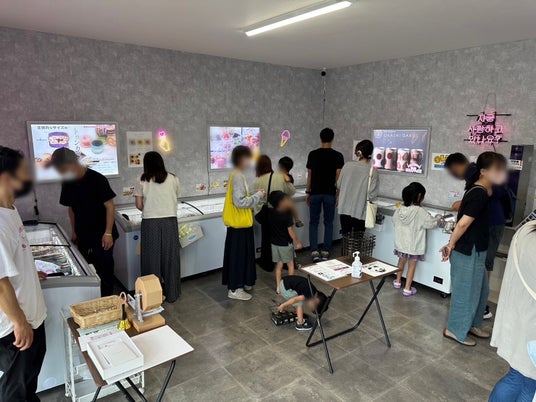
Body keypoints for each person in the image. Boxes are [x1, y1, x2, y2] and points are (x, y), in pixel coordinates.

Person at [440, 152, 508, 346]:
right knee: (465, 293)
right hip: (467, 250)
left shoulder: (487, 190)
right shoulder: (478, 193)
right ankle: (454, 330)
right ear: (483, 171)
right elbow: (462, 224)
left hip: (479, 249)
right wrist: (450, 244)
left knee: (481, 291)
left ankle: (472, 324)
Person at [0, 146, 47, 401]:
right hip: (15, 329)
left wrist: (31, 273)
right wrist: (19, 322)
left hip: (31, 318)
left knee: (28, 384)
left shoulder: (10, 209)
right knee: (15, 391)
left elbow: (11, 261)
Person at [49, 148, 118, 296]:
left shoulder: (97, 179)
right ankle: (92, 300)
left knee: (105, 269)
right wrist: (74, 231)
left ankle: (108, 299)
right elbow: (71, 208)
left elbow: (110, 206)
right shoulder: (67, 182)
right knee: (86, 268)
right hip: (83, 233)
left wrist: (108, 233)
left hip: (102, 233)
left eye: (61, 169)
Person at [489, 220, 536, 401]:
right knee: (530, 384)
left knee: (516, 376)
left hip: (517, 316)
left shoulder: (526, 230)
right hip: (532, 324)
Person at [134, 151, 181, 302]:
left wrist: (150, 209)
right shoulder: (173, 178)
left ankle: (152, 297)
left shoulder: (142, 179)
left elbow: (139, 205)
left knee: (151, 260)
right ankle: (172, 294)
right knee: (170, 258)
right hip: (170, 222)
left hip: (150, 223)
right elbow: (175, 197)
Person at [222, 146, 265, 301]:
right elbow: (240, 202)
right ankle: (235, 288)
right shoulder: (238, 176)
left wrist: (255, 195)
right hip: (239, 226)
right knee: (239, 257)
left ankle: (241, 283)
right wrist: (258, 195)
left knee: (241, 256)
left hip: (240, 225)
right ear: (242, 159)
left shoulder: (236, 174)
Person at [393, 182, 440, 296]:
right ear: (419, 196)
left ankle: (397, 282)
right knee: (412, 265)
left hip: (401, 243)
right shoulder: (419, 211)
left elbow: (394, 221)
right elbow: (430, 223)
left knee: (401, 261)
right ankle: (407, 289)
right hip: (414, 245)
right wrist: (438, 218)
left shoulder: (399, 208)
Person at [306, 128, 344, 262]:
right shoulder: (338, 156)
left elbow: (310, 175)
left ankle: (314, 251)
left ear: (320, 138)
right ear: (332, 139)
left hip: (315, 193)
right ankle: (326, 251)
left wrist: (308, 192)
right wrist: (338, 195)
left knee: (313, 222)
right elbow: (338, 178)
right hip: (330, 194)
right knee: (328, 223)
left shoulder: (312, 154)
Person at [253, 155, 296, 271]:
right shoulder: (279, 177)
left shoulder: (257, 182)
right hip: (281, 212)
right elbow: (292, 191)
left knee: (266, 239)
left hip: (266, 214)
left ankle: (267, 264)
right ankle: (287, 263)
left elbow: (256, 201)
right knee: (284, 238)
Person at [337, 139, 379, 235]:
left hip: (344, 209)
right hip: (360, 211)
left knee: (345, 237)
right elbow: (372, 195)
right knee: (358, 240)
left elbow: (339, 185)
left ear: (357, 152)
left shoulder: (347, 166)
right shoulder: (373, 171)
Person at [267, 191, 303, 294]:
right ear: (281, 202)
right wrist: (297, 242)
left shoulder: (271, 212)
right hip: (285, 244)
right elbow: (290, 230)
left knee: (279, 266)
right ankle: (290, 287)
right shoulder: (286, 215)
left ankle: (278, 288)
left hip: (274, 244)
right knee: (290, 265)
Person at [278, 156, 303, 227]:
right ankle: (297, 220)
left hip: (281, 204)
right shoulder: (289, 177)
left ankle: (297, 220)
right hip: (286, 204)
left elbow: (287, 180)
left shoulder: (285, 177)